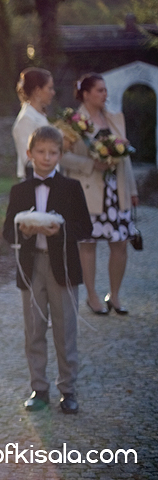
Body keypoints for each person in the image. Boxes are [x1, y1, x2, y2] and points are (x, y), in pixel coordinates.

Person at [3, 126, 92, 415]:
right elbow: (7, 232)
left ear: (61, 155)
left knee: (65, 329)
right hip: (31, 266)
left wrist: (60, 230)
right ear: (29, 154)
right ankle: (39, 388)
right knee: (34, 329)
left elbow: (85, 228)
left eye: (53, 153)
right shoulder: (19, 190)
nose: (46, 157)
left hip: (63, 265)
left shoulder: (71, 188)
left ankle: (68, 390)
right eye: (40, 152)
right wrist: (25, 232)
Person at [60, 73, 139, 315]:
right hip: (88, 191)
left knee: (120, 243)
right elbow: (61, 157)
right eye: (100, 90)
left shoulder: (114, 118)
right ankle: (92, 296)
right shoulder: (73, 122)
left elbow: (124, 156)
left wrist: (133, 190)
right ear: (86, 94)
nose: (105, 95)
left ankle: (114, 295)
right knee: (88, 245)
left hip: (116, 190)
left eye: (105, 90)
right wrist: (91, 164)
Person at [12, 67, 55, 179]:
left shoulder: (39, 116)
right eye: (49, 88)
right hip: (34, 182)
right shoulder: (26, 119)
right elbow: (28, 159)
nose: (53, 93)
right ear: (37, 91)